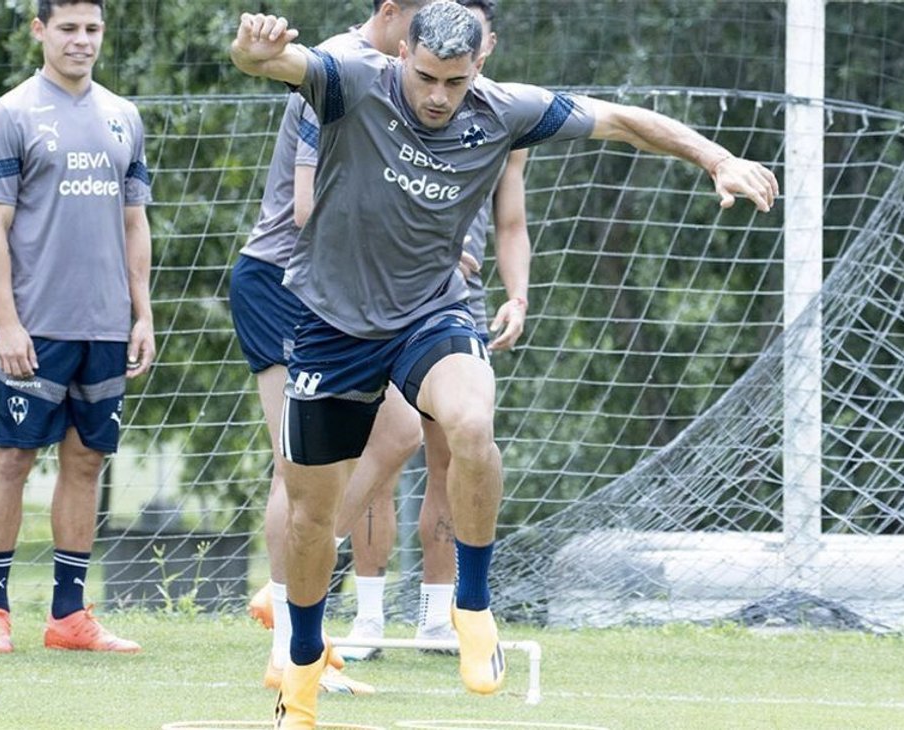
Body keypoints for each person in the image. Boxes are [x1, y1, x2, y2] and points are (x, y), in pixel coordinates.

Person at [230, 2, 777, 725]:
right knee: (310, 515)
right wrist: (253, 47)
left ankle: (472, 604)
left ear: (479, 65)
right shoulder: (353, 79)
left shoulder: (504, 109)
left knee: (470, 422)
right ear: (402, 54)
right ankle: (301, 663)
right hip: (332, 322)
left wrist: (717, 158)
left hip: (431, 311)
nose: (438, 96)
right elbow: (268, 62)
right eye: (426, 77)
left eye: (455, 82)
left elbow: (621, 119)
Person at [229, 0, 438, 683]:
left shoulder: (407, 73)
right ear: (392, 12)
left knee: (399, 431)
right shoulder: (342, 69)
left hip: (334, 288)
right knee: (296, 469)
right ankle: (290, 647)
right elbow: (306, 206)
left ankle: (293, 584)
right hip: (285, 283)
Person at [325, 0, 532, 660]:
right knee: (385, 445)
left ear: (484, 48)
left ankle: (440, 619)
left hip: (456, 305)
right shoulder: (387, 98)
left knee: (457, 455)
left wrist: (518, 295)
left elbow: (511, 223)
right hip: (385, 300)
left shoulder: (506, 117)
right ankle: (366, 616)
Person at [0, 0, 155, 654]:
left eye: (92, 29)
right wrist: (7, 323)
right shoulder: (11, 114)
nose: (81, 40)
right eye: (68, 28)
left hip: (105, 326)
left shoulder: (124, 116)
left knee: (86, 461)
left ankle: (68, 617)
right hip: (35, 325)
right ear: (40, 30)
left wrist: (142, 313)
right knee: (13, 458)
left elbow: (134, 222)